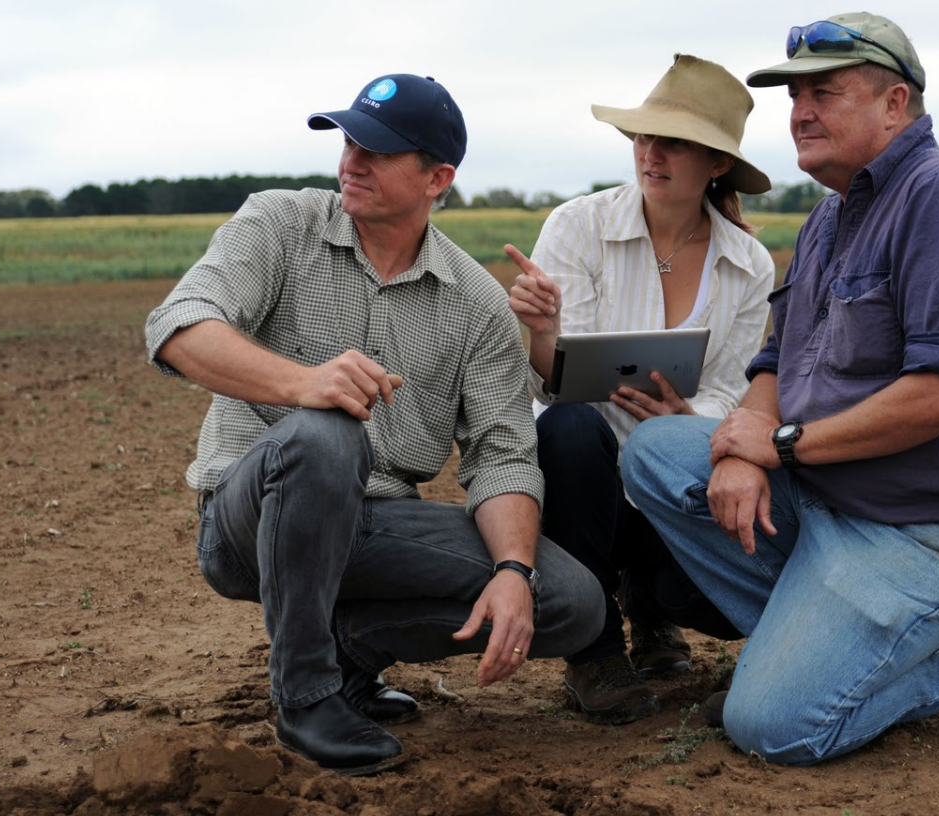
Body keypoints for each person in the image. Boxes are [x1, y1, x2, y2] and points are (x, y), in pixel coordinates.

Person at [621, 13, 939, 764]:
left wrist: (781, 445)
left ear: (895, 103)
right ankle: (820, 650)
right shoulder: (828, 218)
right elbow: (774, 362)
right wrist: (740, 448)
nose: (799, 112)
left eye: (823, 93)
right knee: (659, 453)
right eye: (793, 96)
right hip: (840, 506)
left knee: (772, 727)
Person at [144, 73, 603, 776]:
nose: (351, 161)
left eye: (378, 150)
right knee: (325, 431)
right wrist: (305, 383)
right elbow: (177, 327)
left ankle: (348, 653)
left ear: (436, 177)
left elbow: (503, 454)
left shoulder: (475, 303)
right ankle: (306, 697)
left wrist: (512, 568)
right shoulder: (278, 222)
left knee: (568, 602)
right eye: (349, 141)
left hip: (375, 527)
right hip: (250, 521)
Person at [504, 54, 775, 724]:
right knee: (568, 428)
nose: (650, 154)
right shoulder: (578, 226)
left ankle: (650, 607)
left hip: (674, 473)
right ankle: (592, 652)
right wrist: (542, 330)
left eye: (673, 142)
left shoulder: (748, 265)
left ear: (715, 164)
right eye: (643, 138)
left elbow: (730, 393)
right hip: (582, 476)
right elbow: (555, 382)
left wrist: (687, 419)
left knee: (703, 599)